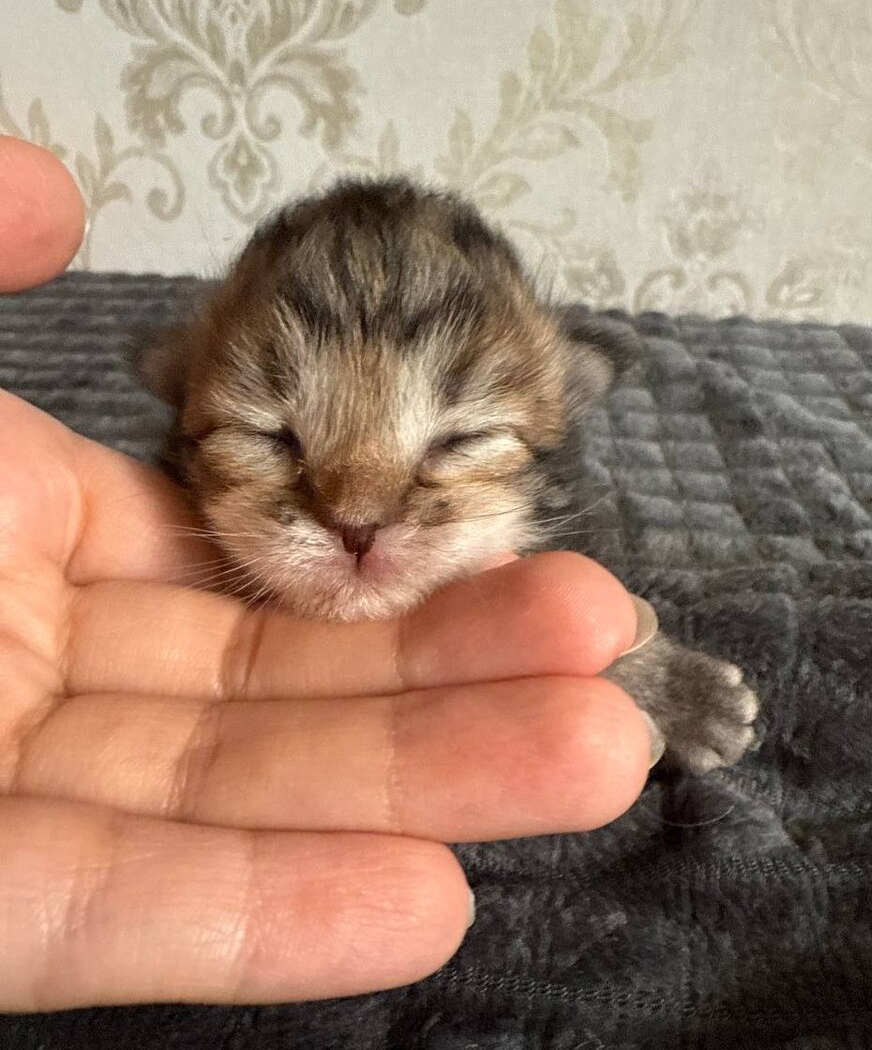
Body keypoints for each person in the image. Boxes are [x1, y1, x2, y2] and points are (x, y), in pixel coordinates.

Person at [0, 134, 653, 1012]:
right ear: (174, 391)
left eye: (460, 440)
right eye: (269, 436)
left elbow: (574, 607)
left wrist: (630, 666)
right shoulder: (130, 566)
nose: (355, 509)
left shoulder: (554, 530)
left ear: (565, 404)